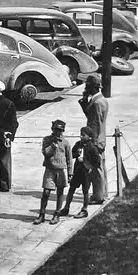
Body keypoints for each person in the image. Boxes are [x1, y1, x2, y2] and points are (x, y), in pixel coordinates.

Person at [35, 119, 73, 225]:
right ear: (52, 129)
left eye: (60, 130)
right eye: (56, 130)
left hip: (60, 171)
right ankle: (41, 214)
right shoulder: (47, 140)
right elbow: (45, 153)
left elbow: (69, 159)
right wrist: (52, 145)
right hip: (50, 170)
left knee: (60, 192)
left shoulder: (65, 143)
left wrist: (70, 173)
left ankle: (57, 214)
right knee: (46, 192)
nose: (58, 132)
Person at [60, 126, 102, 219]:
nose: (81, 137)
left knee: (85, 191)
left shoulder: (92, 147)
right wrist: (77, 153)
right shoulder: (78, 144)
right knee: (72, 188)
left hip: (86, 173)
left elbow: (97, 161)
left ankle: (84, 210)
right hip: (77, 171)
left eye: (83, 135)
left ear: (89, 137)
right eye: (80, 135)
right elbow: (71, 154)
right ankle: (66, 208)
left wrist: (89, 166)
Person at [79, 74, 109, 203]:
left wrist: (92, 143)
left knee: (96, 170)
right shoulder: (101, 100)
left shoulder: (96, 103)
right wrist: (85, 105)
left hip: (96, 141)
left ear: (94, 87)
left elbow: (95, 124)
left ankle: (98, 197)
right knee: (101, 168)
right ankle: (102, 193)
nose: (86, 88)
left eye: (88, 86)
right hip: (101, 139)